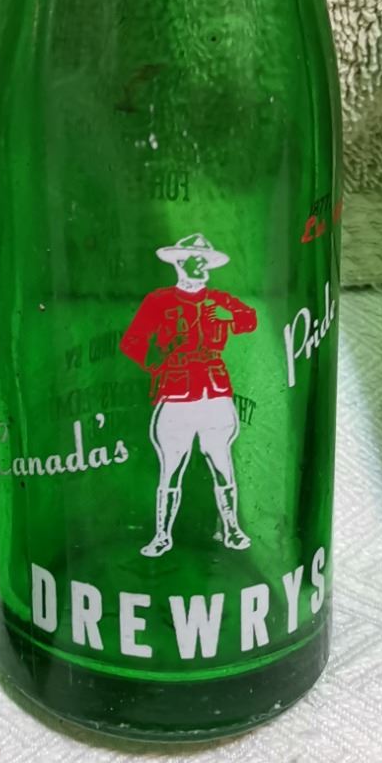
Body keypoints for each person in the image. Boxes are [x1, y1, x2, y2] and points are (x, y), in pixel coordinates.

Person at [119, 233, 257, 556]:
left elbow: (250, 320)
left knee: (222, 463)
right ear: (180, 263)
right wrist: (160, 364)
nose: (204, 267)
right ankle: (162, 536)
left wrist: (226, 318)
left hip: (214, 395)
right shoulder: (159, 301)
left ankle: (232, 529)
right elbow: (132, 342)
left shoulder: (218, 299)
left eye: (206, 261)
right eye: (197, 261)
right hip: (177, 396)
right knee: (171, 468)